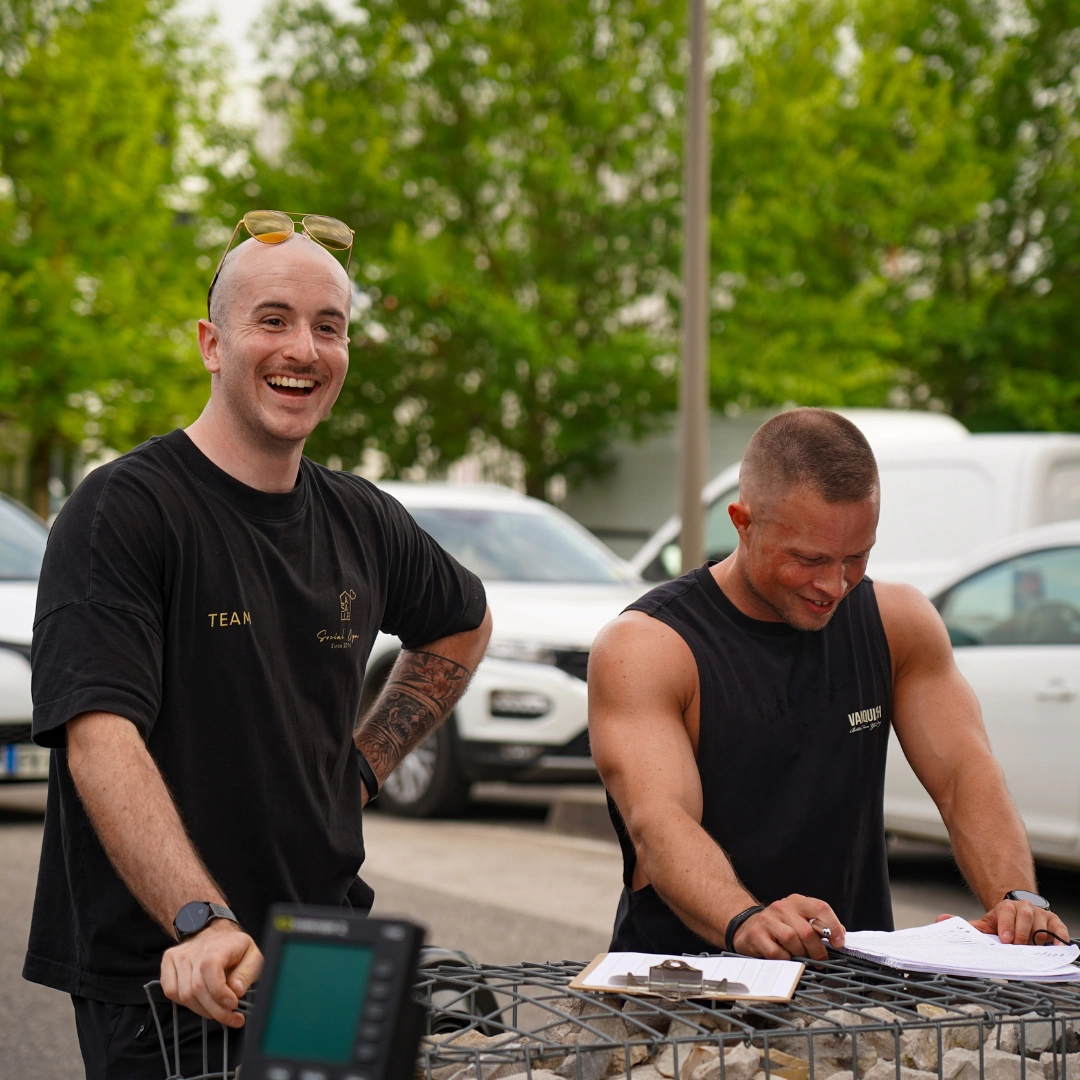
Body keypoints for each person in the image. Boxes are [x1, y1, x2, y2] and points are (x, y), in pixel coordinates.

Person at [24, 216, 492, 1080]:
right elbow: (100, 737)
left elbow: (461, 620)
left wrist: (364, 764)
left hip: (326, 948)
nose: (303, 349)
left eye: (329, 325)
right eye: (272, 320)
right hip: (172, 972)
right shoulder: (124, 511)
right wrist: (201, 921)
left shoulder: (362, 516)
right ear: (212, 343)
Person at [588, 408, 1069, 961]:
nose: (833, 584)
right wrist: (744, 919)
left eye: (856, 557)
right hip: (684, 995)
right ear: (742, 522)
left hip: (850, 991)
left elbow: (965, 774)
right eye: (808, 559)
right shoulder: (647, 647)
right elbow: (660, 820)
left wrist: (1017, 898)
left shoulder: (898, 624)